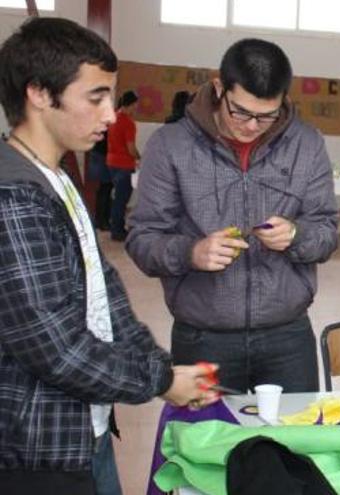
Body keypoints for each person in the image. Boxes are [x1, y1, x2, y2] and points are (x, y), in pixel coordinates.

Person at [0, 18, 216, 495]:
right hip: (38, 450)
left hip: (87, 430)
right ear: (39, 93)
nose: (110, 116)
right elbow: (56, 349)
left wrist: (160, 365)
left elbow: (107, 297)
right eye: (95, 97)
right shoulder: (12, 195)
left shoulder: (56, 179)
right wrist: (160, 380)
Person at [127, 38, 339, 394]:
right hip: (202, 337)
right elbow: (142, 239)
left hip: (287, 336)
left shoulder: (307, 144)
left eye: (267, 115)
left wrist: (297, 237)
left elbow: (327, 232)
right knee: (203, 444)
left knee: (292, 444)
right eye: (240, 111)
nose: (253, 126)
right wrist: (190, 253)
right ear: (218, 88)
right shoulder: (170, 146)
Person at [106, 89, 139, 241]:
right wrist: (140, 157)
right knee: (122, 199)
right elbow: (131, 148)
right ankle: (118, 231)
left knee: (116, 197)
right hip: (124, 165)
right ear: (130, 105)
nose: (135, 109)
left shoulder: (113, 117)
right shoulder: (128, 122)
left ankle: (115, 226)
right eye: (135, 106)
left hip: (111, 163)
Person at [87, 131, 112, 230]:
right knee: (105, 190)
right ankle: (103, 222)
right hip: (103, 157)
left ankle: (99, 220)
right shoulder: (108, 127)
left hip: (96, 155)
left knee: (102, 190)